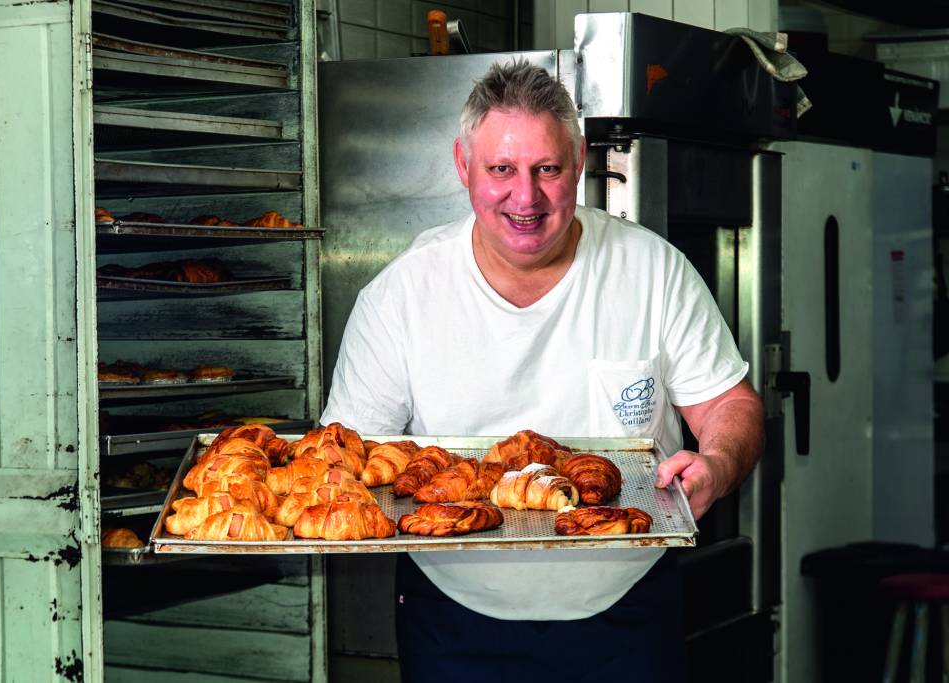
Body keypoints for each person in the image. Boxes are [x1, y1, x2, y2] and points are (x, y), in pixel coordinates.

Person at [321, 59, 764, 683]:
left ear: (579, 162)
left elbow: (730, 406)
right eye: (501, 169)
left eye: (547, 169)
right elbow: (345, 456)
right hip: (453, 616)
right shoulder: (403, 294)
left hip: (627, 610)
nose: (524, 198)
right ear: (462, 165)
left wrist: (716, 462)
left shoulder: (653, 271)